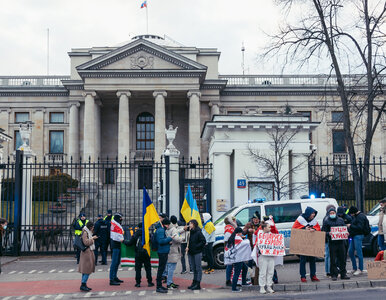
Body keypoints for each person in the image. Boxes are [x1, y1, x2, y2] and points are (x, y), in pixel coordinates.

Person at [292, 206, 321, 283]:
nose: (313, 215)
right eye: (312, 213)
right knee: (303, 260)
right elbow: (294, 229)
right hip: (302, 242)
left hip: (311, 242)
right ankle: (303, 276)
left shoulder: (314, 221)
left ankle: (313, 275)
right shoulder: (300, 220)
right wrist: (304, 229)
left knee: (312, 259)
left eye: (314, 213)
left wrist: (314, 229)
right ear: (308, 213)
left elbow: (318, 228)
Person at [322, 207, 350, 281]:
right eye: (331, 213)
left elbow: (345, 228)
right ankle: (333, 274)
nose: (332, 214)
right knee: (333, 259)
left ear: (335, 213)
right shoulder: (326, 221)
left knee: (342, 258)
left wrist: (346, 232)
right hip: (332, 243)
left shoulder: (340, 220)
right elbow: (323, 231)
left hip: (341, 242)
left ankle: (343, 274)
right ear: (328, 214)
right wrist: (328, 233)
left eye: (333, 213)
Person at [125, 223, 154, 287]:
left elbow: (129, 243)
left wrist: (123, 241)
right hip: (146, 253)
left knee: (138, 269)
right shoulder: (147, 234)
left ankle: (138, 282)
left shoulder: (136, 234)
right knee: (148, 268)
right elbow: (152, 242)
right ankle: (149, 282)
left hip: (138, 253)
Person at [224, 227, 252, 293]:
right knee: (236, 273)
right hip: (238, 258)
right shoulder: (237, 238)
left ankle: (243, 282)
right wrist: (245, 239)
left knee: (245, 268)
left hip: (236, 257)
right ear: (239, 233)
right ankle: (234, 288)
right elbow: (246, 243)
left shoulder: (233, 237)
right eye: (241, 233)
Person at [348, 206, 369, 275]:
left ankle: (360, 269)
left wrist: (350, 226)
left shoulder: (360, 217)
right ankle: (355, 268)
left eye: (351, 213)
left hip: (358, 235)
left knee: (358, 252)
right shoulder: (357, 216)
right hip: (355, 235)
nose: (351, 215)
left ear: (353, 212)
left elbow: (360, 227)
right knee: (351, 251)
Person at [187, 219, 206, 291]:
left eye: (190, 223)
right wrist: (188, 247)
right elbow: (189, 241)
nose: (189, 225)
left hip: (197, 252)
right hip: (191, 252)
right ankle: (194, 282)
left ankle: (198, 283)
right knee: (194, 268)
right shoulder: (190, 232)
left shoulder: (198, 232)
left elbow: (203, 241)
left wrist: (196, 247)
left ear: (194, 224)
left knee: (198, 268)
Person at [165, 215, 184, 289]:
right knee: (171, 268)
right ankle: (169, 283)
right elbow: (176, 238)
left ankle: (170, 282)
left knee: (169, 267)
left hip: (170, 250)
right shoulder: (173, 229)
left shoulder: (168, 230)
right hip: (174, 250)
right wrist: (182, 239)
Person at [155, 217, 172, 293]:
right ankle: (158, 286)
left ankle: (160, 285)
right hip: (162, 252)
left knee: (161, 269)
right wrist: (169, 238)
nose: (168, 227)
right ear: (165, 224)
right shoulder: (161, 230)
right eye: (168, 225)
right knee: (161, 269)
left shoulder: (161, 229)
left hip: (163, 251)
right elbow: (161, 241)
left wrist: (168, 242)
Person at [79, 221, 98, 291]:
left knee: (86, 270)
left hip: (88, 252)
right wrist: (93, 239)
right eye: (92, 227)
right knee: (87, 270)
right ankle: (83, 284)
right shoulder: (85, 232)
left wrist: (92, 237)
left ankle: (84, 283)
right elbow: (86, 242)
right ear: (90, 227)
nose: (93, 228)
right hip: (86, 253)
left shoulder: (88, 232)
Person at [258, 222, 276, 294]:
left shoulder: (271, 235)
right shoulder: (260, 234)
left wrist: (280, 247)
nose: (270, 228)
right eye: (269, 227)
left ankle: (269, 286)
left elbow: (276, 243)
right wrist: (257, 243)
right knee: (263, 272)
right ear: (264, 228)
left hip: (270, 255)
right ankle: (262, 287)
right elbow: (256, 244)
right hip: (263, 256)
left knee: (270, 272)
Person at [109, 213, 124, 285]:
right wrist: (122, 240)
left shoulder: (116, 224)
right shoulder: (115, 225)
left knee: (117, 262)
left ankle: (114, 276)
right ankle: (111, 279)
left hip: (118, 245)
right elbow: (115, 236)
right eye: (120, 219)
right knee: (114, 262)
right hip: (115, 245)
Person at [224, 216, 237, 286]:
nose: (235, 221)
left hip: (230, 248)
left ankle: (230, 279)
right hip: (230, 248)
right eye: (234, 220)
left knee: (231, 265)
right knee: (230, 264)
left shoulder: (229, 228)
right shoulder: (230, 229)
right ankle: (228, 280)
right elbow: (227, 239)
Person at [323, 204, 335, 277]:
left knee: (328, 255)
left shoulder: (326, 218)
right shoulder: (327, 219)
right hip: (329, 239)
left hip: (328, 239)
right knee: (329, 255)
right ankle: (329, 271)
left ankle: (328, 270)